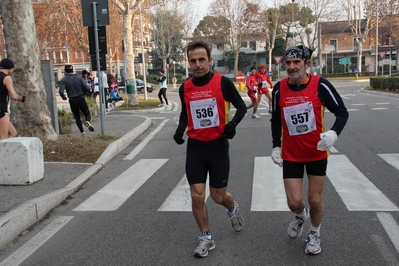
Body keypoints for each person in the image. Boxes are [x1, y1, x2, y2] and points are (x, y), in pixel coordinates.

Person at [270, 45, 349, 255]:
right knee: (294, 201)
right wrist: (276, 145)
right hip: (292, 154)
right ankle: (300, 215)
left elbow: (342, 112)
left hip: (316, 152)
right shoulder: (279, 88)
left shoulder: (320, 85)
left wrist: (333, 134)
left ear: (307, 64)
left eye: (297, 62)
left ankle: (314, 232)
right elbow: (276, 120)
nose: (292, 66)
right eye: (288, 63)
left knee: (315, 199)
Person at [173, 40, 247, 258]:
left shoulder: (222, 82)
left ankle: (232, 208)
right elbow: (186, 113)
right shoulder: (184, 87)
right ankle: (206, 237)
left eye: (201, 60)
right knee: (197, 196)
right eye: (193, 61)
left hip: (217, 147)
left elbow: (241, 107)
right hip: (196, 148)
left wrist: (232, 125)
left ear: (210, 61)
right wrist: (180, 130)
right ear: (189, 62)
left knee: (217, 196)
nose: (197, 64)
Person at [59, 65, 94, 136]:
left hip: (72, 99)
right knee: (87, 113)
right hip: (80, 98)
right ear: (73, 70)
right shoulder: (79, 78)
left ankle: (82, 132)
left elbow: (61, 91)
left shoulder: (64, 80)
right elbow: (87, 88)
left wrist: (64, 97)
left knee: (77, 116)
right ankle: (87, 121)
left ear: (65, 71)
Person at [0, 58, 26, 140]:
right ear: (10, 68)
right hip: (1, 110)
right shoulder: (6, 78)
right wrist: (22, 98)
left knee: (12, 133)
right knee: (3, 138)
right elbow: (13, 96)